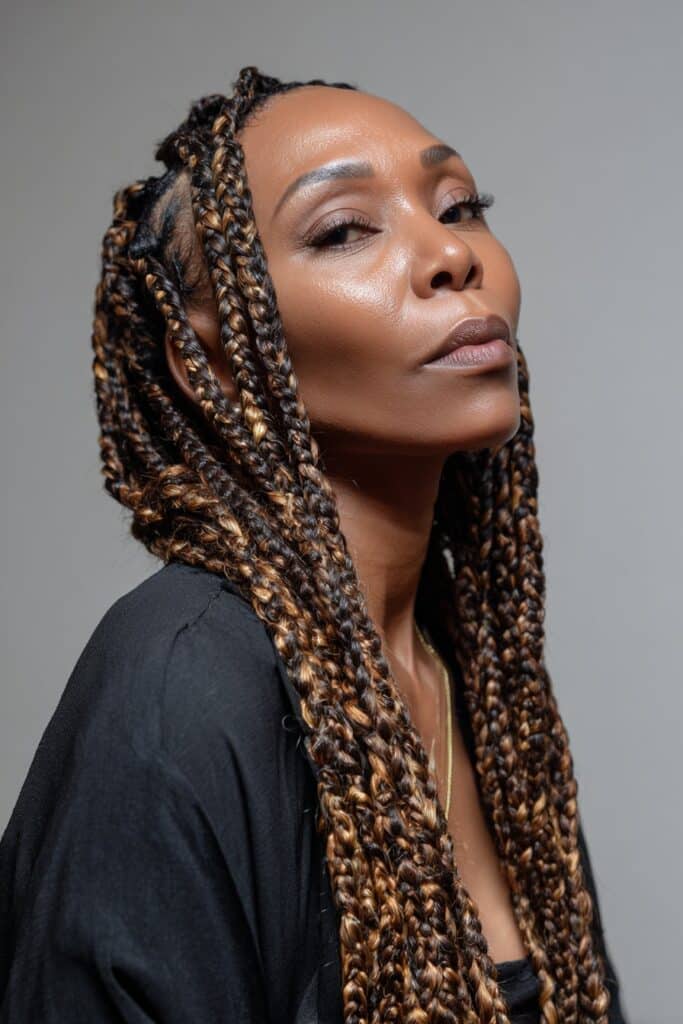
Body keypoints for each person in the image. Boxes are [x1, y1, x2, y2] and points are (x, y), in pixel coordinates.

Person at [0, 66, 629, 1023]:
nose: (449, 256)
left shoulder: (483, 694)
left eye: (459, 206)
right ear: (208, 354)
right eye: (343, 229)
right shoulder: (179, 687)